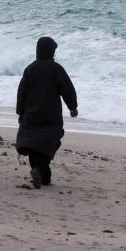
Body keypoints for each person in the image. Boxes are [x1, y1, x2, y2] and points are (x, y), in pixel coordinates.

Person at [15, 36, 78, 190]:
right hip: (51, 117)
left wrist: (20, 112)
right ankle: (40, 172)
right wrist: (72, 107)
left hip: (30, 115)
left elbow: (21, 92)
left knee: (32, 144)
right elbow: (67, 88)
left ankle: (38, 171)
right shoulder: (56, 69)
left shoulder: (30, 69)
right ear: (51, 51)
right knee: (48, 143)